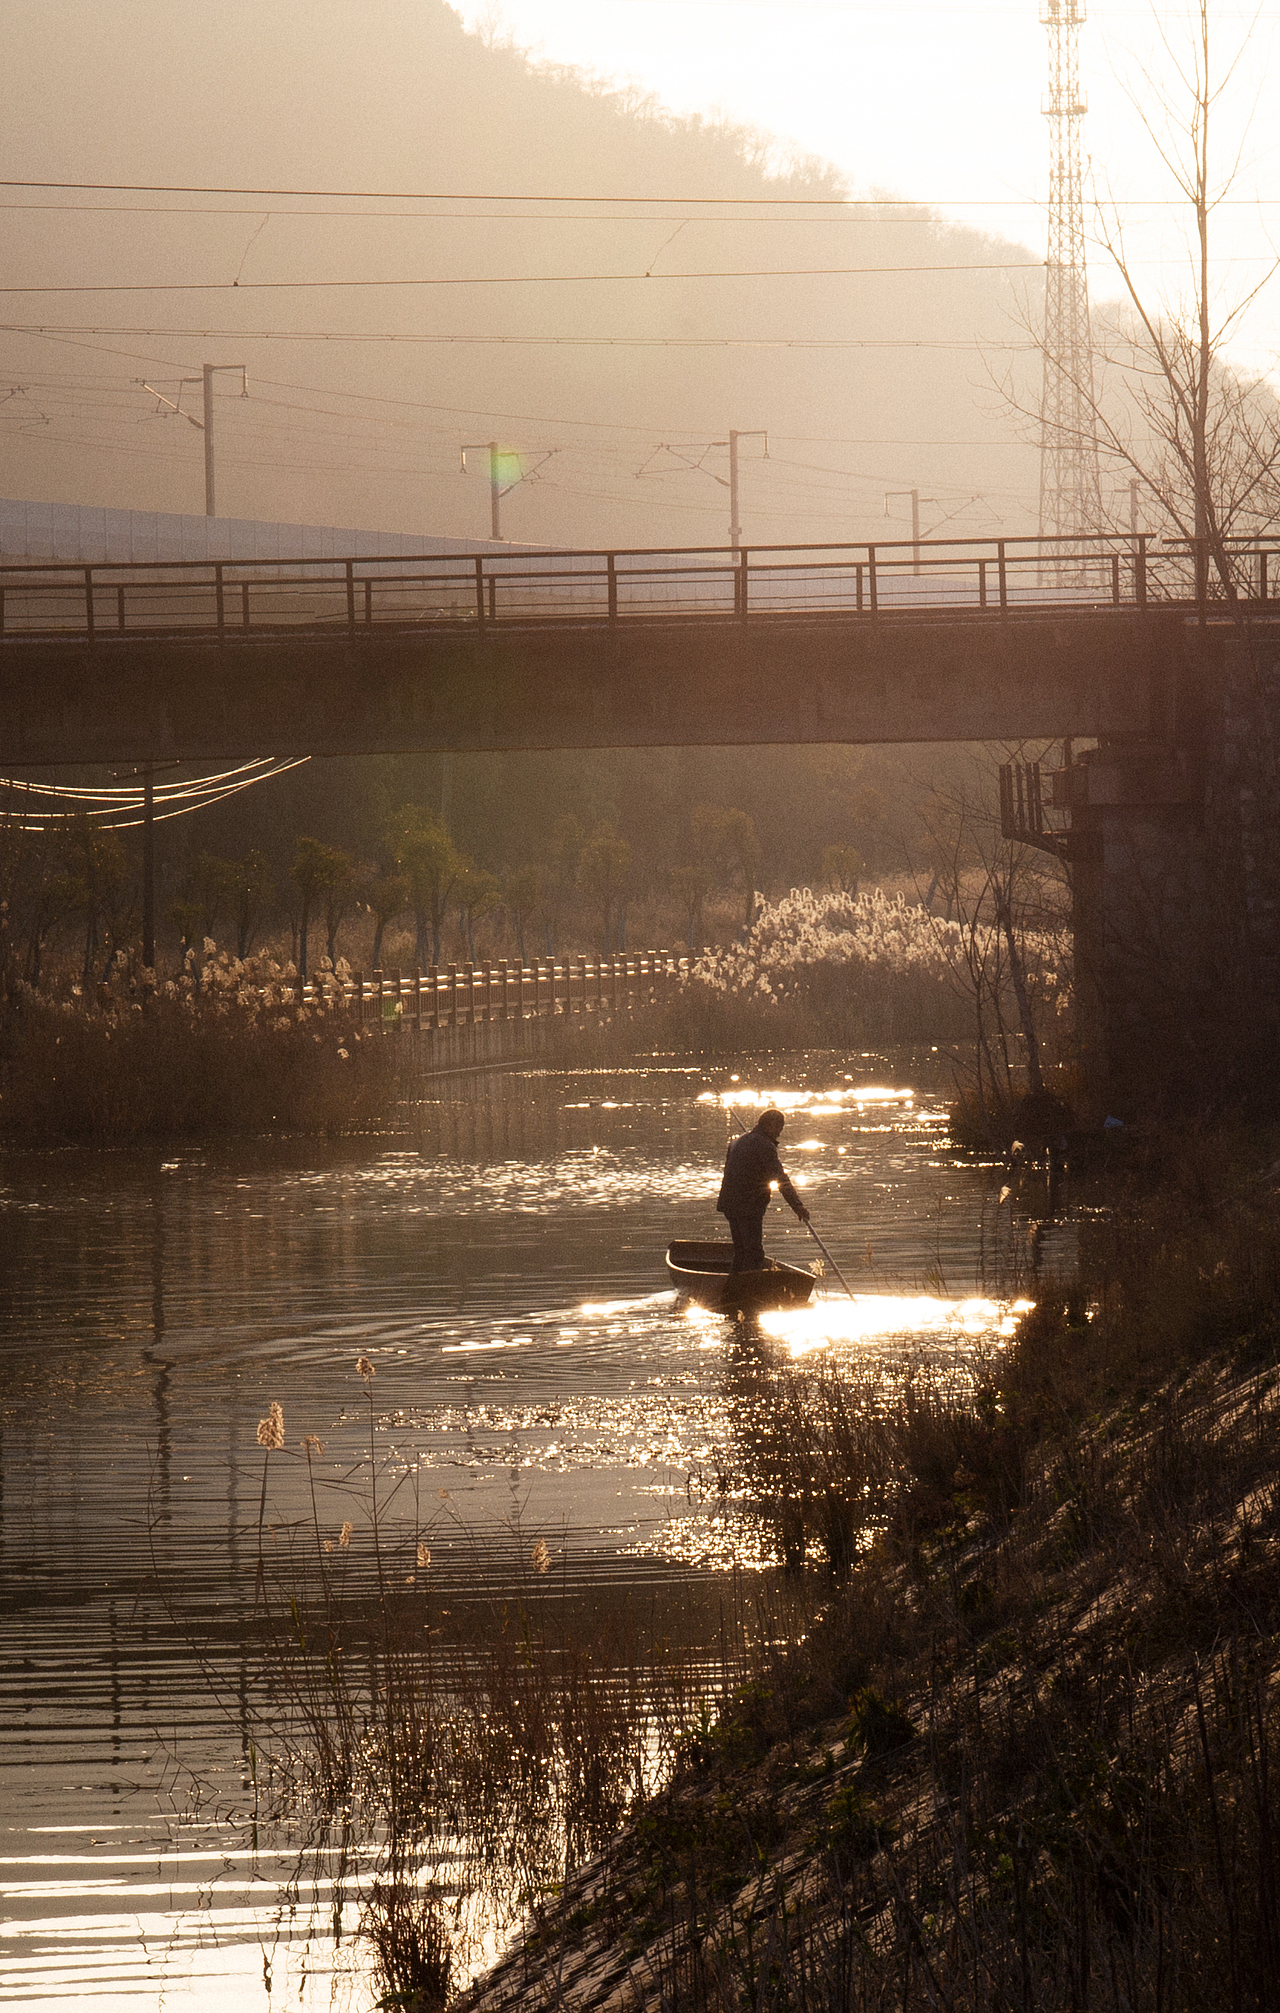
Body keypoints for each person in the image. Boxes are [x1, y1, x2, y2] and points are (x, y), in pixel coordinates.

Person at [716, 1108, 810, 1273]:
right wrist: (797, 1206)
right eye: (779, 1128)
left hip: (729, 1204)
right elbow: (780, 1179)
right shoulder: (765, 1146)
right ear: (771, 1125)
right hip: (748, 1206)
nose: (779, 1134)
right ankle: (750, 1286)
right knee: (754, 1253)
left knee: (741, 1251)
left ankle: (734, 1284)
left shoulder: (737, 1142)